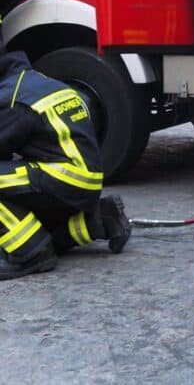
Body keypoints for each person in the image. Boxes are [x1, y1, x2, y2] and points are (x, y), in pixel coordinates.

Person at [0, 51, 131, 280]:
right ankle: (99, 221)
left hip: (63, 179)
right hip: (84, 181)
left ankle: (28, 252)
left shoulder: (12, 98)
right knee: (19, 199)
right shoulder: (37, 83)